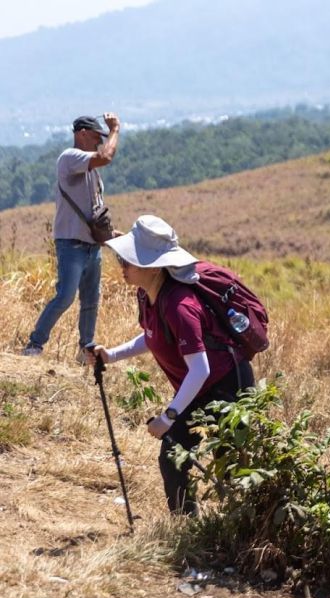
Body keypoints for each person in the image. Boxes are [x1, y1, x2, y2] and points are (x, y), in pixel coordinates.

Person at [85, 215, 254, 515]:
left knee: (230, 465)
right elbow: (153, 336)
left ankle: (242, 529)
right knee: (173, 457)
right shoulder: (148, 294)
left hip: (228, 385)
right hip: (200, 387)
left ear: (152, 265)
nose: (122, 265)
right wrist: (110, 355)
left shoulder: (180, 307)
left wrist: (169, 416)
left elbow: (200, 369)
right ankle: (186, 526)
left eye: (129, 260)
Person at [23, 113, 122, 358]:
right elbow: (105, 156)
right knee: (66, 296)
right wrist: (115, 130)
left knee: (91, 299)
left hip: (91, 246)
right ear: (82, 134)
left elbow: (94, 216)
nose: (100, 141)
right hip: (71, 245)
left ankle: (86, 347)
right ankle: (34, 345)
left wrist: (116, 236)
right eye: (97, 136)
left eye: (103, 137)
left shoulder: (91, 173)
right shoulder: (69, 158)